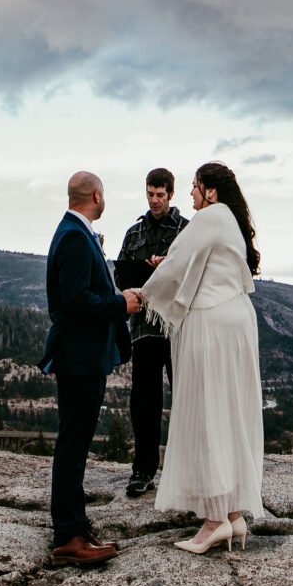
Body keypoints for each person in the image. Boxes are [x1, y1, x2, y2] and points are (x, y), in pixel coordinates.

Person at [138, 160, 264, 554]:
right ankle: (232, 514)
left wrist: (144, 292)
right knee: (229, 413)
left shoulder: (209, 217)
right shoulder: (230, 220)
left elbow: (178, 263)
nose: (191, 193)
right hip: (236, 319)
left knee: (208, 414)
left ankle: (212, 522)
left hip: (211, 323)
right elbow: (200, 263)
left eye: (194, 186)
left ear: (210, 190)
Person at [40, 170, 143, 565]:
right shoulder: (73, 236)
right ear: (96, 196)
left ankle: (76, 525)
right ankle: (68, 536)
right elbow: (76, 302)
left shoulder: (76, 233)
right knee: (73, 445)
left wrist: (117, 296)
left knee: (77, 444)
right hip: (79, 359)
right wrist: (123, 305)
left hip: (85, 357)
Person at [111, 167, 188, 498]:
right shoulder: (133, 234)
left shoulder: (186, 231)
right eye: (150, 194)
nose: (155, 200)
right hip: (143, 327)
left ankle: (188, 469)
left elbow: (195, 273)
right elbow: (120, 276)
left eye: (160, 195)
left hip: (179, 327)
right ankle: (143, 469)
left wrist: (165, 269)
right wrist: (143, 271)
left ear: (171, 194)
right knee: (144, 402)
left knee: (187, 397)